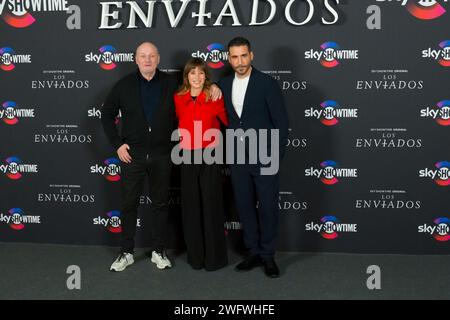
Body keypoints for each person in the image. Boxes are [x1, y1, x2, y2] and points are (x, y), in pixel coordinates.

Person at [218, 37, 289, 278]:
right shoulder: (223, 84)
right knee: (245, 206)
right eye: (235, 56)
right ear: (229, 58)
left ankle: (268, 256)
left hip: (265, 157)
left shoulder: (267, 83)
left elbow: (281, 122)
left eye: (243, 55)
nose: (239, 61)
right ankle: (253, 252)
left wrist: (275, 156)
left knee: (268, 207)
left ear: (252, 55)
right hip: (238, 157)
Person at [173, 57, 228, 271]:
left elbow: (228, 121)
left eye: (201, 73)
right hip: (186, 155)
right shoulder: (178, 98)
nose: (197, 77)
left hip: (210, 155)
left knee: (211, 204)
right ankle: (195, 257)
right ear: (186, 76)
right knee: (191, 206)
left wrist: (217, 88)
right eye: (192, 73)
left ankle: (214, 259)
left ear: (207, 76)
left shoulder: (214, 96)